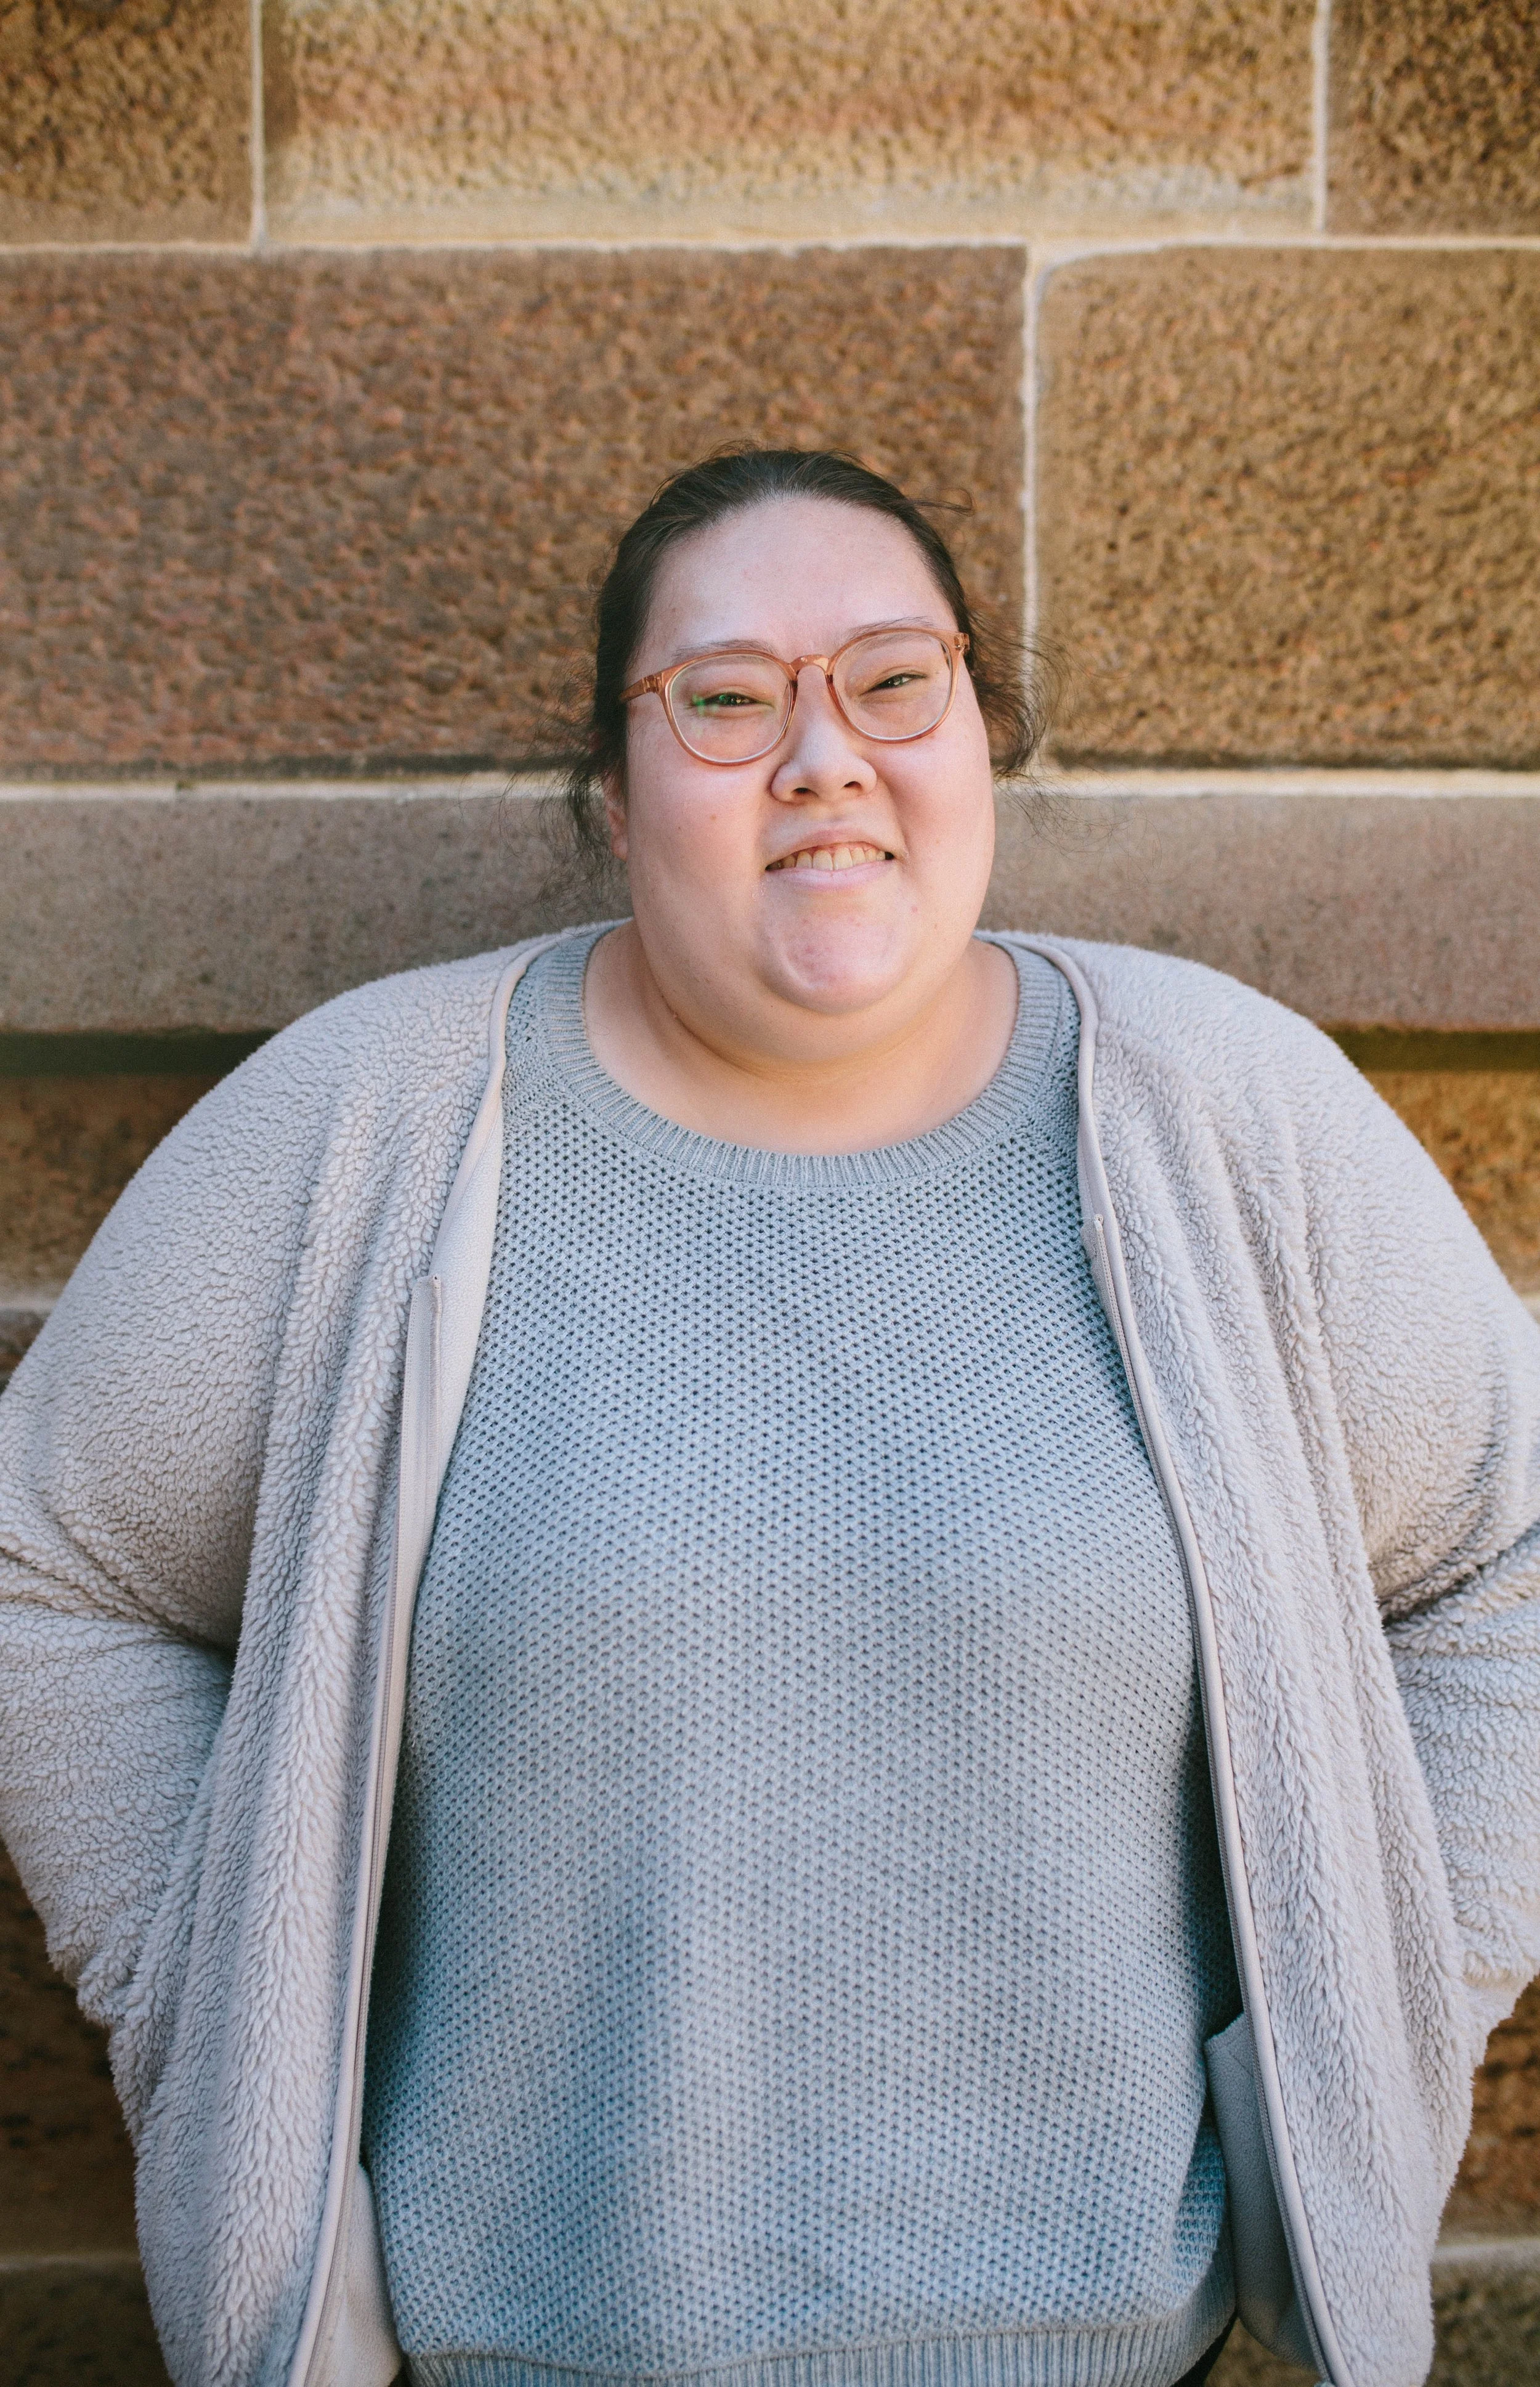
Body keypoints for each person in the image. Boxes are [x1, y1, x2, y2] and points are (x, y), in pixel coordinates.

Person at [1, 449, 1538, 2387]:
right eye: (726, 700)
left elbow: (1506, 1565)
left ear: (978, 732)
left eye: (893, 679)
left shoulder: (1225, 1117)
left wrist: (1374, 2005)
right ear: (619, 791)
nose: (822, 756)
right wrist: (212, 2012)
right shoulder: (374, 1122)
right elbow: (45, 1569)